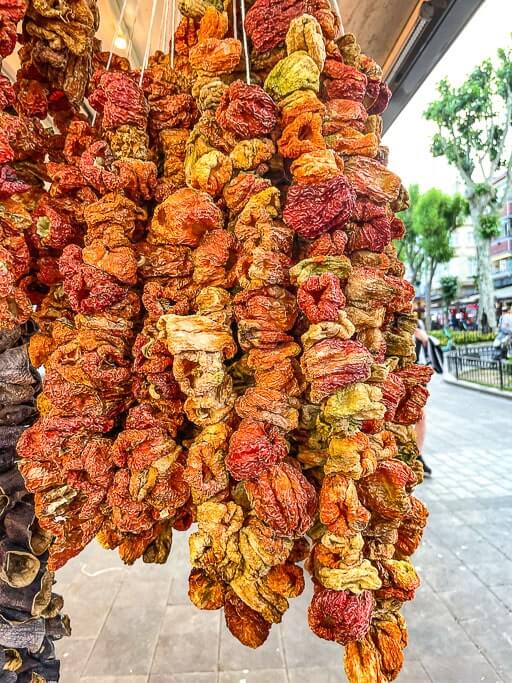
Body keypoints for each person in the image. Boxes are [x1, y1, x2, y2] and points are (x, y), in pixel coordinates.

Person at [413, 319, 432, 478]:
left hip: (415, 378)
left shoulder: (417, 324)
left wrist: (424, 339)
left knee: (420, 416)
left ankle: (418, 455)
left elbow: (427, 352)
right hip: (393, 375)